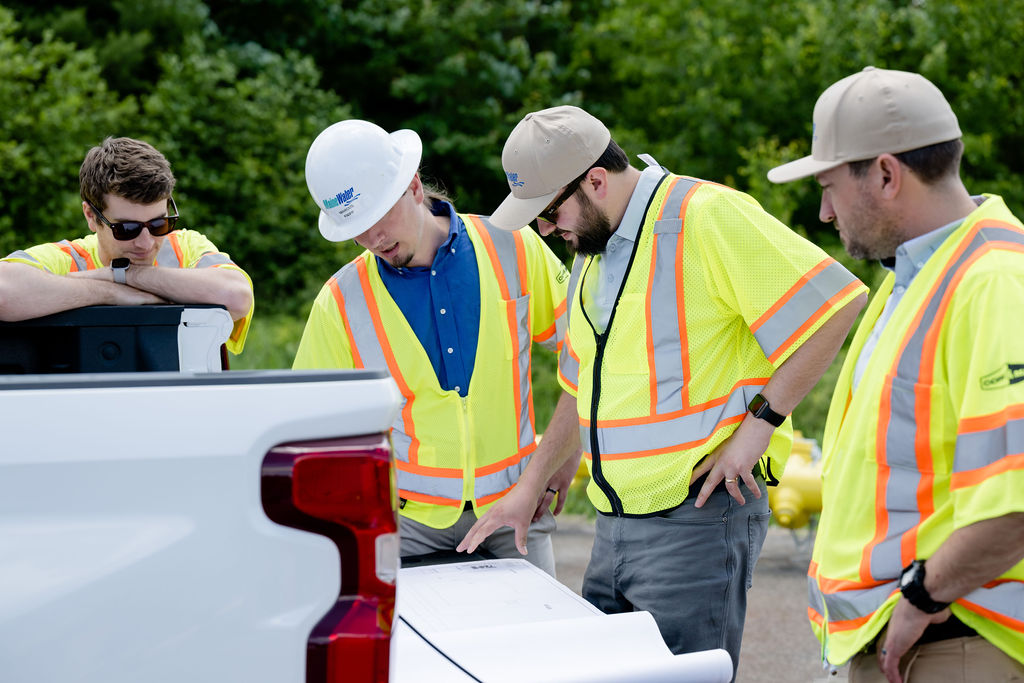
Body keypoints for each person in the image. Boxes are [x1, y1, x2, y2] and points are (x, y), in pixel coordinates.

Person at [459, 104, 867, 676]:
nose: (547, 232)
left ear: (595, 181)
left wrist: (757, 429)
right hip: (616, 521)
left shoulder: (707, 216)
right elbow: (582, 387)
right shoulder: (592, 255)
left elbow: (833, 305)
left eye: (549, 215)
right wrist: (531, 482)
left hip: (698, 516)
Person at [768, 66, 1024, 683]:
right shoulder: (917, 275)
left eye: (828, 186)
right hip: (917, 637)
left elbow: (1017, 492)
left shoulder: (994, 280)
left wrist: (923, 596)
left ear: (886, 174)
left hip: (958, 638)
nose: (825, 212)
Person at [292, 119, 580, 576]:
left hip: (515, 510)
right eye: (357, 230)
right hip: (404, 525)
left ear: (412, 188)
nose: (373, 240)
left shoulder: (514, 246)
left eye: (378, 219)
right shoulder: (341, 300)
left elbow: (589, 352)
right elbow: (312, 425)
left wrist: (566, 455)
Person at [0, 137, 254, 354]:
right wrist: (109, 292)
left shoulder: (186, 247)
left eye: (158, 224)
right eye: (127, 229)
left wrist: (123, 275)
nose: (146, 243)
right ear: (91, 216)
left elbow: (237, 296)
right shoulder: (68, 258)